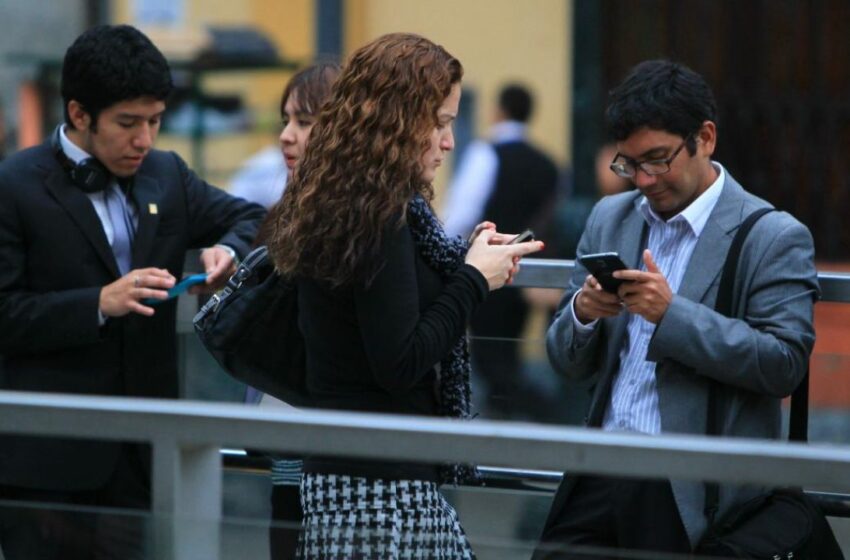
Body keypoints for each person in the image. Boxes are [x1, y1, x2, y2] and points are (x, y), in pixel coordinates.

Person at [266, 33, 543, 558]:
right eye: (439, 122)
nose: (448, 142)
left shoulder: (346, 197)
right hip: (379, 495)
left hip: (360, 480)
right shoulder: (379, 214)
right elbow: (400, 360)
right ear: (396, 120)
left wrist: (465, 261)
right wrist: (474, 280)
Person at [0, 25, 265, 559]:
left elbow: (251, 217)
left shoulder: (165, 173)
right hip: (48, 467)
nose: (144, 139)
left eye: (155, 121)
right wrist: (97, 303)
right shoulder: (15, 184)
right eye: (128, 123)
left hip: (149, 455)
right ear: (78, 115)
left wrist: (228, 251)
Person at [535, 59, 818, 558]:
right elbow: (564, 360)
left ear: (705, 138)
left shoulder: (772, 236)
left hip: (686, 488)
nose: (642, 179)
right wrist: (583, 311)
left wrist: (673, 315)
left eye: (658, 159)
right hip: (597, 471)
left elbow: (784, 366)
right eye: (627, 163)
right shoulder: (610, 217)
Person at [248, 61, 340, 560]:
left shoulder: (355, 220)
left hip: (336, 460)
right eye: (286, 120)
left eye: (304, 122)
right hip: (287, 448)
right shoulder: (287, 210)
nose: (287, 136)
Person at [443, 83, 558, 419]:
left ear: (499, 111)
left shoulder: (485, 153)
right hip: (526, 270)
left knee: (488, 357)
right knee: (509, 352)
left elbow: (462, 214)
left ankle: (510, 420)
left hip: (486, 266)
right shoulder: (548, 164)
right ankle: (515, 416)